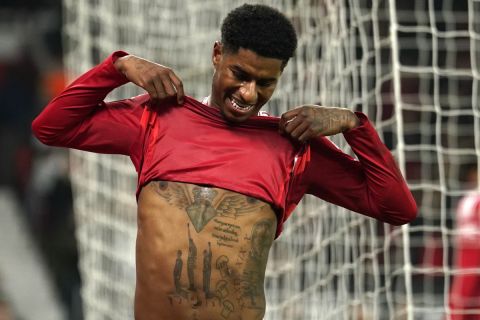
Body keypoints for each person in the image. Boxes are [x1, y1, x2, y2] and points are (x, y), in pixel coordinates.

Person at [31, 4, 417, 320]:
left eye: (265, 83)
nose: (248, 93)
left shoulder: (293, 146)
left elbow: (396, 207)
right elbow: (51, 128)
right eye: (240, 74)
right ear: (218, 55)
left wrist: (354, 125)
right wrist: (119, 67)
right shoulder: (155, 118)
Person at [449, 166, 480, 320]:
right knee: (464, 292)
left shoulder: (468, 200)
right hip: (469, 250)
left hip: (470, 248)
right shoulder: (469, 200)